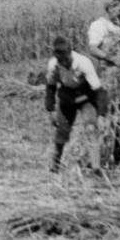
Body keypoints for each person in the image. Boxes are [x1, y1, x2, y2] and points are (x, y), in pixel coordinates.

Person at [45, 36, 109, 174]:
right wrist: (51, 110)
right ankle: (55, 165)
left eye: (66, 59)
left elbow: (99, 91)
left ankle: (96, 167)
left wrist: (101, 114)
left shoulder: (83, 63)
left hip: (85, 97)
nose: (64, 62)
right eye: (61, 60)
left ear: (70, 52)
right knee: (62, 132)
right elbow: (50, 88)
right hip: (67, 99)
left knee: (91, 128)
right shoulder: (53, 65)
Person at [87, 0, 120, 164]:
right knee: (106, 114)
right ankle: (101, 155)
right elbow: (93, 49)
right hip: (105, 75)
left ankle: (118, 153)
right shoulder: (99, 25)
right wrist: (111, 58)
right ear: (110, 8)